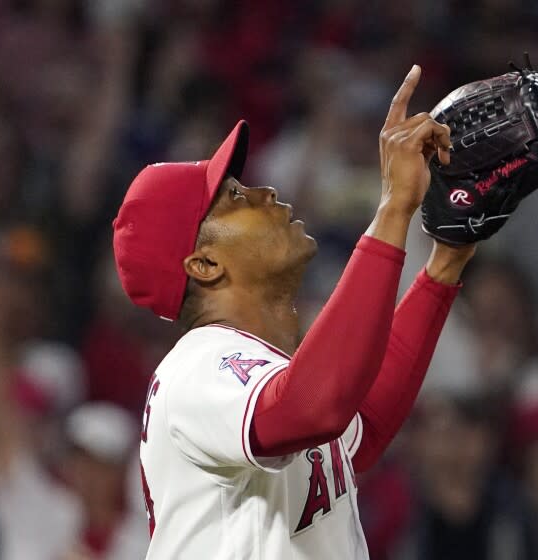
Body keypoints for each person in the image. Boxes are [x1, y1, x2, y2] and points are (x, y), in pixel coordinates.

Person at [112, 65, 478, 559]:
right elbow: (312, 408)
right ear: (203, 264)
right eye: (234, 198)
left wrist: (445, 263)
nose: (263, 192)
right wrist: (392, 208)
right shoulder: (195, 367)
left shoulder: (259, 370)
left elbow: (357, 428)